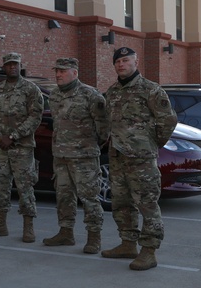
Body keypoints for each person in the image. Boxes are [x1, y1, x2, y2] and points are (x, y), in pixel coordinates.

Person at [102, 47, 178, 270]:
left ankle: (149, 251)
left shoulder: (151, 89)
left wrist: (152, 143)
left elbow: (168, 120)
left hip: (141, 159)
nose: (121, 65)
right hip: (117, 157)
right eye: (118, 62)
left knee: (147, 204)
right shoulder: (113, 91)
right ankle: (127, 244)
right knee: (121, 203)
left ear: (136, 62)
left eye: (126, 60)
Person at [43, 58, 108, 253]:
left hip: (84, 157)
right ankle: (66, 232)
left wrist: (90, 145)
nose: (58, 74)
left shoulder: (90, 95)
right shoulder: (54, 96)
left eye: (63, 71)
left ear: (75, 73)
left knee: (89, 197)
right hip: (61, 156)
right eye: (57, 71)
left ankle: (94, 237)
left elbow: (104, 127)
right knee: (63, 196)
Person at [0, 52, 43, 242]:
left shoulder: (31, 89)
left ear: (20, 65)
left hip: (22, 148)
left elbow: (35, 117)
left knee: (25, 188)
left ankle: (28, 227)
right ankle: (0, 224)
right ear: (4, 67)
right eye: (9, 65)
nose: (12, 67)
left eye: (15, 64)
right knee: (0, 186)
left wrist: (13, 136)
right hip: (1, 148)